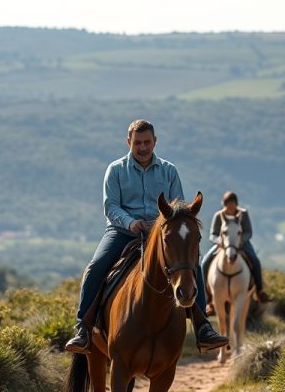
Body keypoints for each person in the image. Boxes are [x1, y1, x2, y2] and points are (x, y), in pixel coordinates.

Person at [65, 119, 229, 354]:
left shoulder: (169, 171)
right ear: (128, 142)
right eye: (138, 143)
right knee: (96, 267)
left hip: (161, 234)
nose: (143, 147)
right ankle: (83, 329)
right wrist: (131, 223)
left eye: (147, 142)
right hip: (122, 232)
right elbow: (111, 207)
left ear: (155, 141)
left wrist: (161, 226)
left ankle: (203, 327)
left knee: (192, 265)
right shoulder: (116, 170)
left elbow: (178, 208)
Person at [201, 191, 269, 314]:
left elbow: (248, 232)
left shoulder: (243, 214)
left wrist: (239, 241)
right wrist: (221, 241)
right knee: (205, 262)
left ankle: (259, 291)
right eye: (228, 204)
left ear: (236, 204)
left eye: (232, 204)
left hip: (242, 244)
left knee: (254, 260)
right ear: (224, 204)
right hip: (223, 245)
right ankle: (207, 298)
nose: (230, 207)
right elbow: (213, 235)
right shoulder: (218, 215)